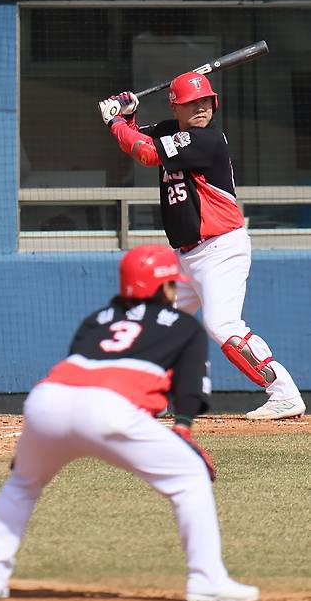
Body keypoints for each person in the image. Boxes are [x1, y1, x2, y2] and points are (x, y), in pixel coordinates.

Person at [0, 244, 259, 601]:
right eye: (171, 283)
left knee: (22, 485)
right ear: (163, 287)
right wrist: (183, 428)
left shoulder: (98, 318)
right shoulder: (184, 326)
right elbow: (190, 392)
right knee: (189, 477)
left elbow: (73, 366)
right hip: (109, 408)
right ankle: (207, 579)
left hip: (47, 402)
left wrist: (31, 447)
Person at [98, 74, 305, 421]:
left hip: (221, 248)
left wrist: (115, 122)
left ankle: (284, 394)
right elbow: (140, 139)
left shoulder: (207, 140)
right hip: (187, 254)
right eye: (193, 102)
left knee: (221, 324)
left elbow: (148, 155)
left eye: (206, 101)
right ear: (176, 106)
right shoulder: (169, 131)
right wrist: (129, 116)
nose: (201, 108)